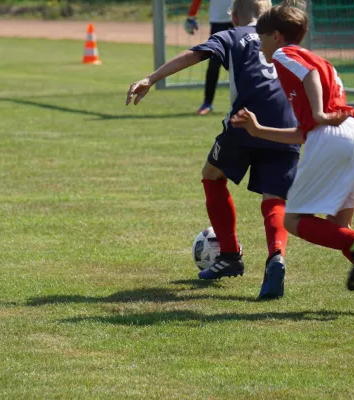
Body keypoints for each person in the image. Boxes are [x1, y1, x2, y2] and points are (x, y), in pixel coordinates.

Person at [230, 0, 354, 314]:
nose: (260, 44)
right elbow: (303, 132)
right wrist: (258, 129)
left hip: (333, 137)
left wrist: (319, 113)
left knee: (293, 220)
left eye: (261, 37)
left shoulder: (284, 55)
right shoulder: (322, 61)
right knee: (339, 229)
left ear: (277, 37)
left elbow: (310, 85)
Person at [127, 0, 300, 299]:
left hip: (246, 120)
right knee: (275, 197)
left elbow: (194, 55)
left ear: (233, 16)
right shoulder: (282, 36)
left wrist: (151, 78)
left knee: (212, 174)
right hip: (288, 125)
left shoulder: (232, 35)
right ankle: (276, 258)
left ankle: (230, 256)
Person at [184, 0, 234, 115]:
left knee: (243, 62)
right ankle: (207, 103)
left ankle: (246, 104)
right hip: (218, 21)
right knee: (214, 64)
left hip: (241, 19)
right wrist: (191, 15)